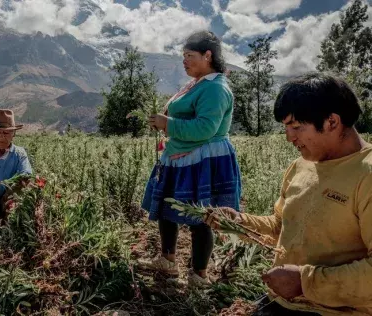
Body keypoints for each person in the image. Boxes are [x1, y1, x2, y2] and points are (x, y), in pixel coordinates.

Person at [206, 73, 372, 315]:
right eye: (286, 128)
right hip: (282, 302)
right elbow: (281, 228)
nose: (289, 137)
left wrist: (306, 282)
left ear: (332, 122)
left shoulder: (366, 174)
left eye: (296, 127)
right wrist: (239, 222)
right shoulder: (301, 166)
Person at [139, 30, 242, 287]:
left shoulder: (216, 88)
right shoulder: (197, 84)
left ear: (208, 56)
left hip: (202, 160)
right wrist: (165, 123)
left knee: (201, 217)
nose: (184, 61)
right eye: (183, 55)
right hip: (180, 156)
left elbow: (206, 128)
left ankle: (199, 276)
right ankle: (167, 260)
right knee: (166, 208)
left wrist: (168, 124)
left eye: (190, 55)